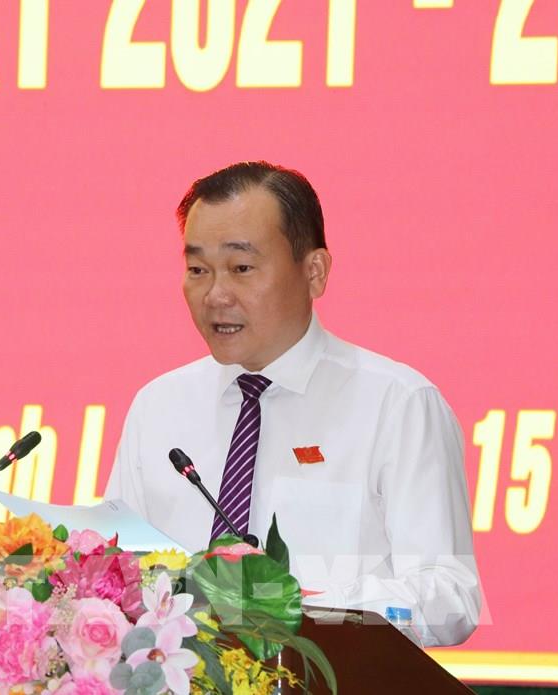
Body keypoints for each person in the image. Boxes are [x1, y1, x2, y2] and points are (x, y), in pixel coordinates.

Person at [104, 161, 481, 646]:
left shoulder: (397, 405)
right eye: (198, 270)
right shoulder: (158, 407)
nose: (215, 295)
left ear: (314, 272)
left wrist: (308, 610)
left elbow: (451, 597)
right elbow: (117, 573)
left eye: (241, 268)